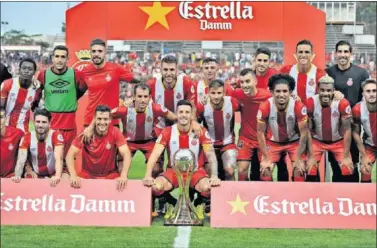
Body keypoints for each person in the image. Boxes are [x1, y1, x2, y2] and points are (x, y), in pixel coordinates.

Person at [142, 100, 221, 219]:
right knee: (155, 187)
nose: (184, 115)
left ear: (191, 115)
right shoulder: (168, 131)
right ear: (176, 114)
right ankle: (172, 203)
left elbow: (210, 155)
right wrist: (148, 175)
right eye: (181, 112)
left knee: (210, 187)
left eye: (187, 112)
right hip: (173, 172)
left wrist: (214, 175)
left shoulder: (200, 131)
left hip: (195, 172)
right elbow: (154, 155)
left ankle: (198, 204)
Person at [326, 40, 371, 182]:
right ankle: (336, 198)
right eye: (340, 51)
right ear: (335, 54)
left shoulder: (361, 73)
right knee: (336, 164)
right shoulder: (329, 72)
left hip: (353, 126)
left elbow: (366, 98)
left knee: (352, 163)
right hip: (334, 127)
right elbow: (322, 96)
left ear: (351, 54)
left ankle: (353, 196)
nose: (343, 54)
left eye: (346, 51)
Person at [257, 74, 309, 182]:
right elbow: (260, 132)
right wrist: (266, 158)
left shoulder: (298, 106)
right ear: (271, 92)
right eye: (278, 91)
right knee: (265, 171)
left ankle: (296, 198)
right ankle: (270, 198)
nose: (281, 95)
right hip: (272, 143)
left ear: (290, 92)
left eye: (285, 91)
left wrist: (298, 158)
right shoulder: (265, 106)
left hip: (294, 143)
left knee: (299, 171)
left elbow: (304, 134)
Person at [37, 45, 88, 158]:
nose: (59, 60)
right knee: (48, 160)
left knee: (67, 161)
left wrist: (71, 99)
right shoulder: (43, 75)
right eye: (57, 56)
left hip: (69, 126)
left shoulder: (76, 74)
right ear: (53, 58)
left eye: (63, 57)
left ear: (67, 59)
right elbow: (36, 95)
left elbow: (83, 89)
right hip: (50, 126)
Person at [66, 105, 131, 191]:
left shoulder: (115, 131)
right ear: (94, 119)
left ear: (110, 120)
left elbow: (126, 153)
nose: (102, 122)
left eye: (105, 119)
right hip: (87, 175)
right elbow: (70, 154)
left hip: (110, 175)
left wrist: (123, 175)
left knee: (123, 186)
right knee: (72, 185)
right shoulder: (86, 133)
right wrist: (73, 175)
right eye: (99, 119)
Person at [306, 76, 353, 182]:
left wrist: (345, 156)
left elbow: (347, 130)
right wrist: (311, 155)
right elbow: (307, 130)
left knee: (347, 168)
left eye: (328, 90)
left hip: (338, 142)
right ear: (318, 90)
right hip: (317, 141)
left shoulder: (342, 103)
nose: (325, 93)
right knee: (310, 169)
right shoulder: (311, 102)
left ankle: (341, 196)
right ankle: (315, 195)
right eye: (322, 90)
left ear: (333, 91)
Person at [82, 39, 134, 127]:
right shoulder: (85, 71)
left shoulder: (116, 69)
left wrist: (133, 98)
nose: (96, 54)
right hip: (91, 121)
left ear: (105, 52)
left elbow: (136, 81)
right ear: (90, 53)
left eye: (100, 51)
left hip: (111, 120)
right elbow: (77, 92)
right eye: (93, 51)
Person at [231, 69, 271, 181]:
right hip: (246, 139)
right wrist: (206, 98)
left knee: (265, 172)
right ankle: (244, 196)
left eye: (247, 81)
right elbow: (218, 92)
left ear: (255, 81)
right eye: (242, 82)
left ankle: (266, 197)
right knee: (241, 170)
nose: (244, 85)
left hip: (264, 139)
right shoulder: (237, 93)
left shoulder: (267, 96)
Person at [196, 80, 240, 181]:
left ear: (224, 93)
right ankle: (208, 197)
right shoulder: (202, 105)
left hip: (228, 143)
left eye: (219, 93)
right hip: (209, 144)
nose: (216, 96)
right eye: (213, 93)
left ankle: (231, 195)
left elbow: (246, 110)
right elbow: (195, 124)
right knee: (208, 172)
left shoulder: (232, 102)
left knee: (230, 171)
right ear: (208, 93)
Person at [11, 108, 66, 187]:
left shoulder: (56, 135)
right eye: (38, 122)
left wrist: (57, 176)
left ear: (49, 123)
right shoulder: (27, 137)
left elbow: (59, 158)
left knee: (64, 180)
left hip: (53, 173)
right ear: (33, 122)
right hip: (36, 174)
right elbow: (21, 160)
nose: (40, 125)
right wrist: (17, 175)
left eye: (44, 122)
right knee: (25, 180)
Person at [147, 55, 196, 128]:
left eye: (172, 70)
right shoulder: (151, 84)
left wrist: (193, 125)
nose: (169, 73)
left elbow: (192, 107)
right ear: (160, 70)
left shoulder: (186, 82)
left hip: (180, 125)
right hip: (158, 126)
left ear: (177, 70)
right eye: (165, 70)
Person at [280, 40, 328, 104]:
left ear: (311, 55)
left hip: (312, 113)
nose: (303, 55)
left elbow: (327, 94)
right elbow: (275, 91)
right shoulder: (285, 71)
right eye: (300, 52)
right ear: (296, 54)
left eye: (307, 52)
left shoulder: (321, 74)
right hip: (291, 112)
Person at [0, 58, 41, 132]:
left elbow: (35, 107)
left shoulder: (37, 89)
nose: (26, 71)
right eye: (24, 68)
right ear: (19, 70)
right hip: (5, 128)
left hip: (22, 130)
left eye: (30, 69)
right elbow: (1, 107)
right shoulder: (7, 84)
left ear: (34, 72)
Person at [352, 79, 377, 183]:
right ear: (363, 93)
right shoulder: (357, 109)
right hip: (370, 146)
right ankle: (366, 198)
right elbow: (356, 133)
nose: (372, 94)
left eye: (374, 91)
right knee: (365, 169)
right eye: (368, 91)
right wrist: (364, 155)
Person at [0, 107, 24, 178]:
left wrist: (28, 168)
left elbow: (28, 154)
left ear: (6, 118)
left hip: (11, 177)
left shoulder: (17, 133)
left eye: (1, 117)